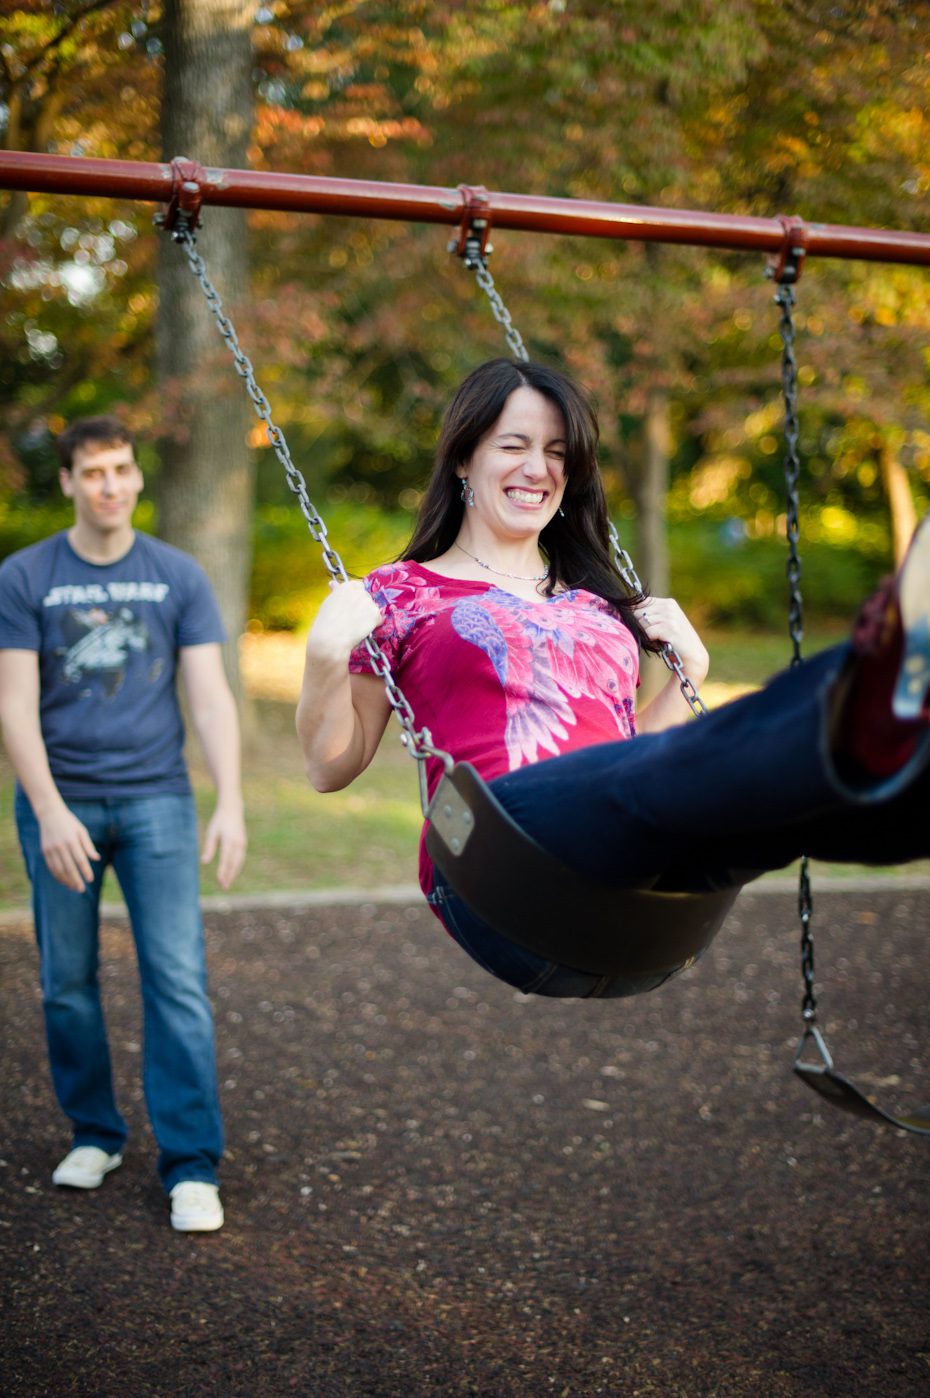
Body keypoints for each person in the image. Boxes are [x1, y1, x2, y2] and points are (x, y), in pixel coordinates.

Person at [296, 357, 930, 999]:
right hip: (497, 850)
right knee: (697, 771)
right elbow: (330, 768)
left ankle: (904, 767)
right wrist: (324, 655)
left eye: (556, 452)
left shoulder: (598, 604)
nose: (537, 468)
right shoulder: (401, 593)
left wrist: (692, 674)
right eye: (512, 445)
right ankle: (865, 687)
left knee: (783, 816)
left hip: (617, 880)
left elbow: (630, 759)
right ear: (463, 459)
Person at [0, 415, 247, 1232]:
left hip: (157, 804)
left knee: (176, 981)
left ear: (138, 478)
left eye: (122, 469)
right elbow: (14, 705)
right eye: (93, 472)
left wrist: (231, 801)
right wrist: (47, 810)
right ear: (67, 482)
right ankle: (96, 1135)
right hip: (59, 806)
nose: (110, 484)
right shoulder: (25, 577)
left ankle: (191, 1167)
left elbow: (209, 697)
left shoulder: (177, 575)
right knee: (66, 982)